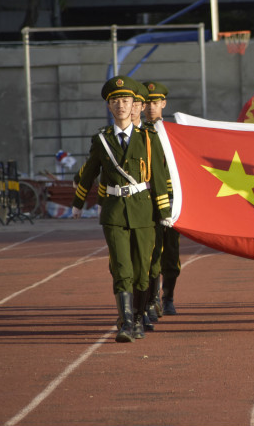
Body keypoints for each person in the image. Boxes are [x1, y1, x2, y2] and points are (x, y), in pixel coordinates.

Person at [71, 76, 173, 343]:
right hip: (114, 211)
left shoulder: (149, 138)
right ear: (109, 106)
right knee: (121, 269)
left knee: (142, 272)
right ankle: (125, 322)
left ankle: (138, 317)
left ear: (133, 105)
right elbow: (89, 172)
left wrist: (164, 212)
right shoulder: (102, 140)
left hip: (144, 211)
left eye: (125, 101)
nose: (121, 105)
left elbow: (159, 177)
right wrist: (78, 203)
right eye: (115, 101)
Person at [142, 81, 183, 317]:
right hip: (145, 201)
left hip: (169, 200)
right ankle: (151, 299)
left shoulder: (174, 134)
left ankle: (168, 297)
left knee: (171, 254)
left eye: (155, 102)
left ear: (163, 104)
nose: (150, 107)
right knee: (150, 253)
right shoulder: (137, 133)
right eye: (146, 103)